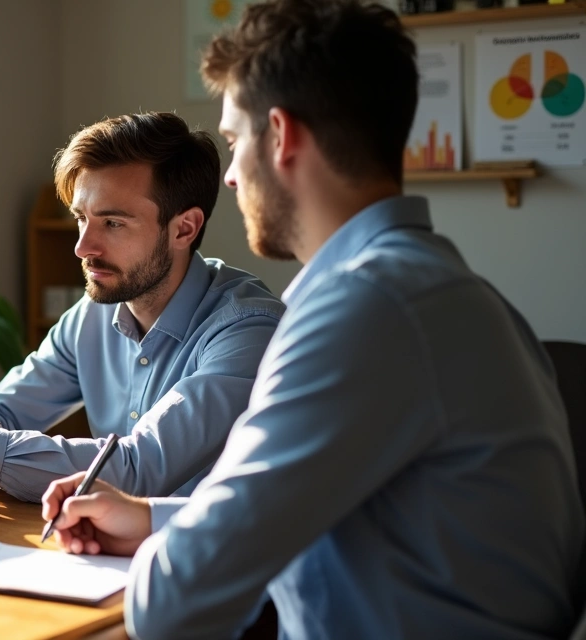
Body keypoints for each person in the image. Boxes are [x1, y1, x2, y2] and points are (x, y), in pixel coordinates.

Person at [41, 1, 585, 638]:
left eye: (236, 142)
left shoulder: (362, 309)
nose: (232, 178)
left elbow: (174, 602)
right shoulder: (445, 292)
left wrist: (170, 548)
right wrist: (152, 519)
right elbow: (311, 510)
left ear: (281, 136)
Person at [0, 112, 284, 502]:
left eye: (113, 223)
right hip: (105, 554)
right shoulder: (93, 315)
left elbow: (139, 470)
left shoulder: (247, 331)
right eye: (81, 218)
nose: (82, 247)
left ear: (184, 229)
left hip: (223, 576)